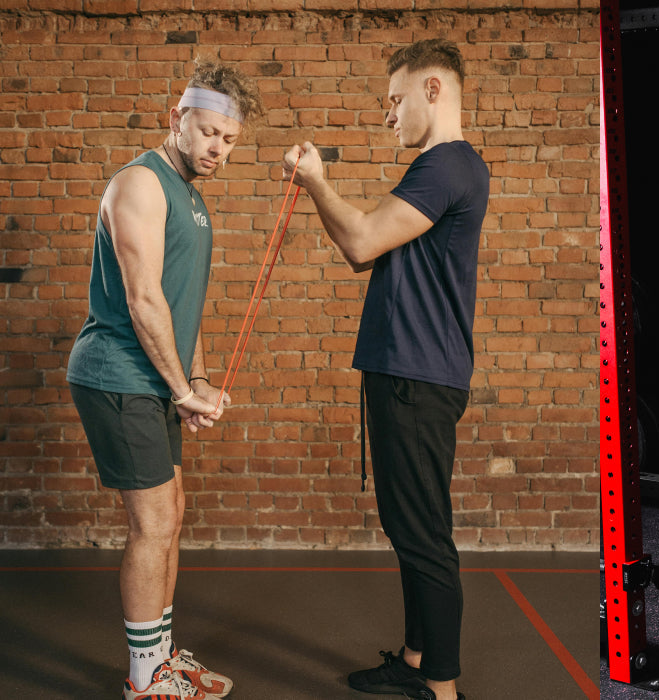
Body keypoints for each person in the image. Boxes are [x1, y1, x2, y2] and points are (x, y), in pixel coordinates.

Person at [281, 38, 487, 700]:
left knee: (424, 534)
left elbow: (362, 243)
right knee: (408, 527)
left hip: (417, 379)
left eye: (396, 100)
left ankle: (442, 688)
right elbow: (376, 251)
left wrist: (315, 179)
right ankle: (416, 657)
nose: (387, 115)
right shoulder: (444, 169)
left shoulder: (446, 165)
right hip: (411, 374)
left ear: (434, 90)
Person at [67, 58, 264, 700]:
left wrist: (197, 379)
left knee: (171, 515)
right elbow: (145, 298)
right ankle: (145, 680)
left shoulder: (190, 197)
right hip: (118, 374)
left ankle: (162, 656)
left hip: (154, 377)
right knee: (152, 524)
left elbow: (185, 305)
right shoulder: (141, 186)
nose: (218, 149)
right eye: (208, 132)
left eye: (229, 139)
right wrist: (181, 390)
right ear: (175, 118)